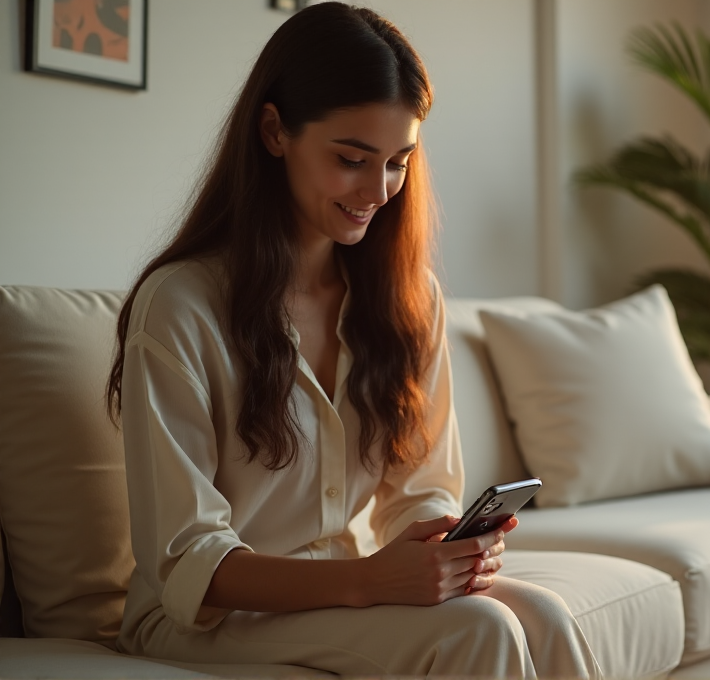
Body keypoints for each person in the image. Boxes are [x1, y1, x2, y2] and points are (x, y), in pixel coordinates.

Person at [104, 4, 598, 676]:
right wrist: (371, 583)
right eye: (351, 160)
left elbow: (421, 487)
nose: (378, 190)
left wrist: (444, 547)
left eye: (398, 162)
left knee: (545, 615)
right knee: (476, 632)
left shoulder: (406, 299)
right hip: (206, 619)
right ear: (275, 130)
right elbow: (187, 560)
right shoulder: (182, 308)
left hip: (345, 591)